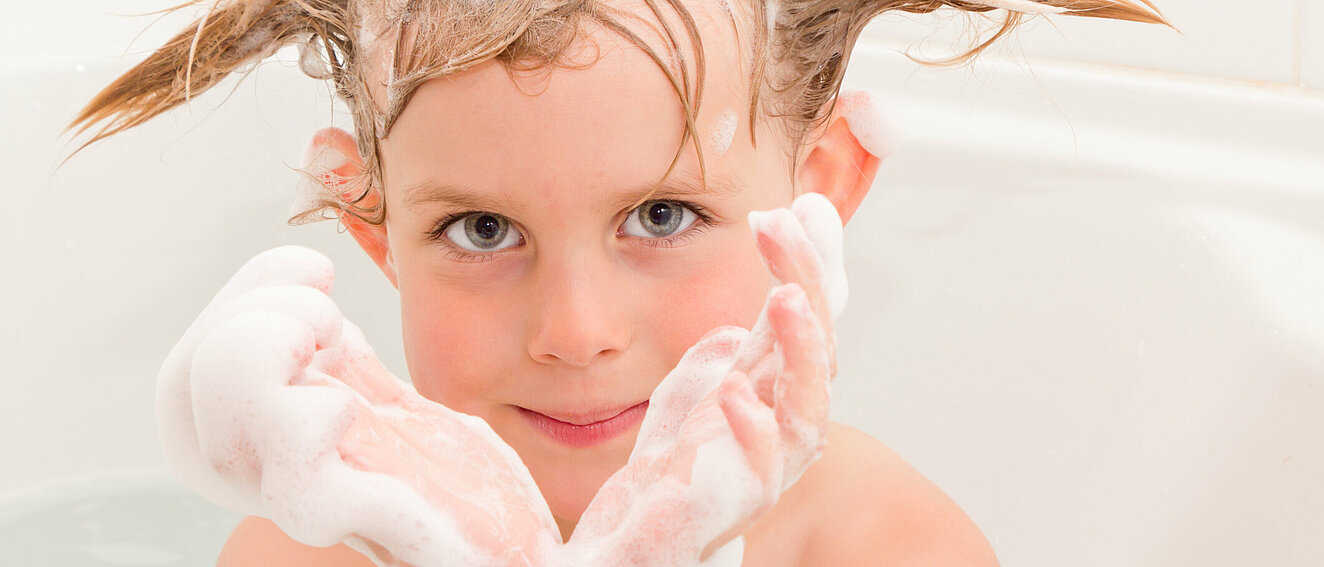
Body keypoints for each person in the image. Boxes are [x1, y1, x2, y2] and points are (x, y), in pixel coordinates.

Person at [67, 1, 1171, 565]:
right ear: (375, 228)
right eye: (483, 229)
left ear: (818, 192)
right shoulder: (314, 541)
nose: (576, 330)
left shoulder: (876, 545)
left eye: (661, 216)